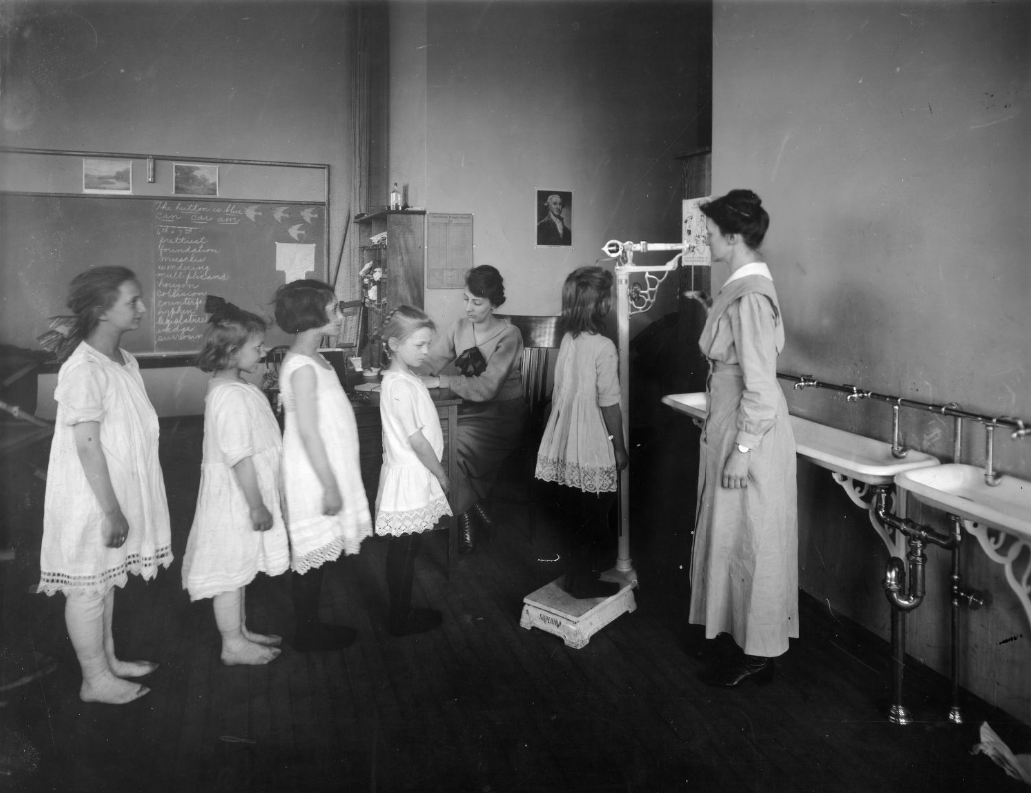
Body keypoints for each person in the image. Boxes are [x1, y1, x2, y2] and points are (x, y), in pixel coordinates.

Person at [37, 267, 172, 704]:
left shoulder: (123, 360)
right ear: (100, 310)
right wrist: (112, 511)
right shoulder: (84, 368)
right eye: (132, 301)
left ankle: (107, 661)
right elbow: (87, 445)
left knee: (105, 579)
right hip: (92, 497)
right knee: (88, 588)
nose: (143, 308)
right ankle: (93, 680)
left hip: (115, 488)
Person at [689, 189, 798, 687]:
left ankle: (758, 654)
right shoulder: (740, 289)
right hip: (732, 422)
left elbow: (760, 386)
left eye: (711, 233)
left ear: (732, 237)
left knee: (753, 539)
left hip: (749, 431)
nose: (706, 240)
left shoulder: (751, 295)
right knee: (734, 537)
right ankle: (737, 638)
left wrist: (743, 450)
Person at [181, 300, 290, 665]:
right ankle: (232, 644)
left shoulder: (236, 386)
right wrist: (257, 505)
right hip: (237, 496)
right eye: (257, 346)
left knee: (240, 564)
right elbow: (239, 456)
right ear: (231, 351)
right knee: (229, 571)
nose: (263, 351)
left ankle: (240, 632)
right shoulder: (227, 396)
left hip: (244, 491)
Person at [274, 279, 373, 651]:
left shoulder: (317, 359)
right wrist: (329, 485)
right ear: (310, 316)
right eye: (334, 309)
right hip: (312, 475)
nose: (341, 315)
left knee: (322, 549)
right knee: (312, 552)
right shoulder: (302, 367)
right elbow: (309, 432)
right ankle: (307, 632)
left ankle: (311, 627)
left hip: (327, 470)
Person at [418, 265, 526, 554]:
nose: (468, 308)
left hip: (502, 416)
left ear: (494, 303)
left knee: (450, 451)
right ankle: (475, 513)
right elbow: (431, 362)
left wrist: (441, 380)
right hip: (467, 411)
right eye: (466, 299)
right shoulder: (459, 327)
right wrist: (403, 370)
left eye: (477, 302)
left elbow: (489, 388)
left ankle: (465, 519)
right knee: (433, 443)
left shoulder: (510, 335)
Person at [535, 266, 629, 598]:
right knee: (597, 513)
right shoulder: (604, 346)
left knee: (578, 513)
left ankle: (578, 575)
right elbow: (609, 404)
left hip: (566, 438)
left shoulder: (569, 340)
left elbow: (560, 392)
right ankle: (584, 582)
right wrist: (619, 447)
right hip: (591, 439)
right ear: (601, 303)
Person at [375, 306, 452, 636]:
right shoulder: (399, 385)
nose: (426, 351)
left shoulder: (407, 379)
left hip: (415, 474)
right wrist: (441, 473)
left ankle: (401, 612)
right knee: (405, 550)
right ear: (394, 344)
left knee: (409, 547)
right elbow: (417, 441)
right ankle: (399, 617)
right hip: (411, 473)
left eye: (428, 344)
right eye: (419, 345)